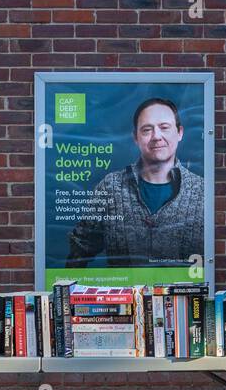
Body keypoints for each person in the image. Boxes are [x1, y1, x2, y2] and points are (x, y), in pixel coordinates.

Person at [67, 96, 205, 268]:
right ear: (135, 137)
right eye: (147, 130)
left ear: (180, 133)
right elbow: (80, 249)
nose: (156, 136)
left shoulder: (202, 191)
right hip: (123, 293)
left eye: (164, 127)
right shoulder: (110, 186)